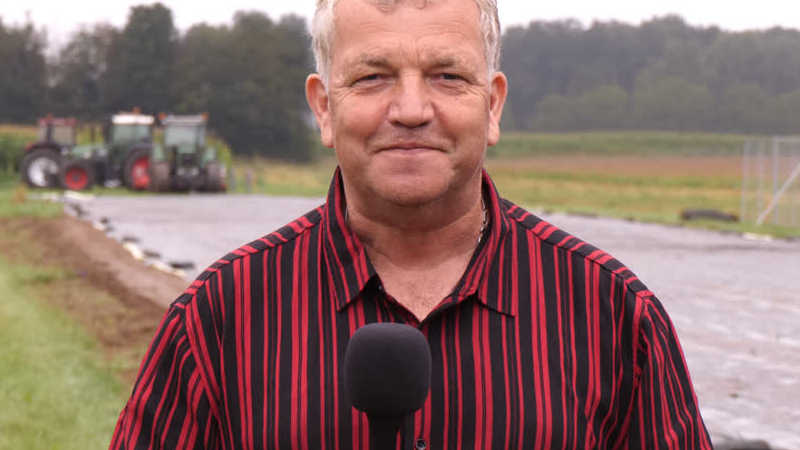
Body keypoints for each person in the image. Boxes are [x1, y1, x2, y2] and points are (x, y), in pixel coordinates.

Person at [109, 0, 713, 448]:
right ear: (324, 106)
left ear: (493, 104)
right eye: (372, 77)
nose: (412, 110)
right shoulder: (219, 317)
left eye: (447, 76)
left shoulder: (614, 315)